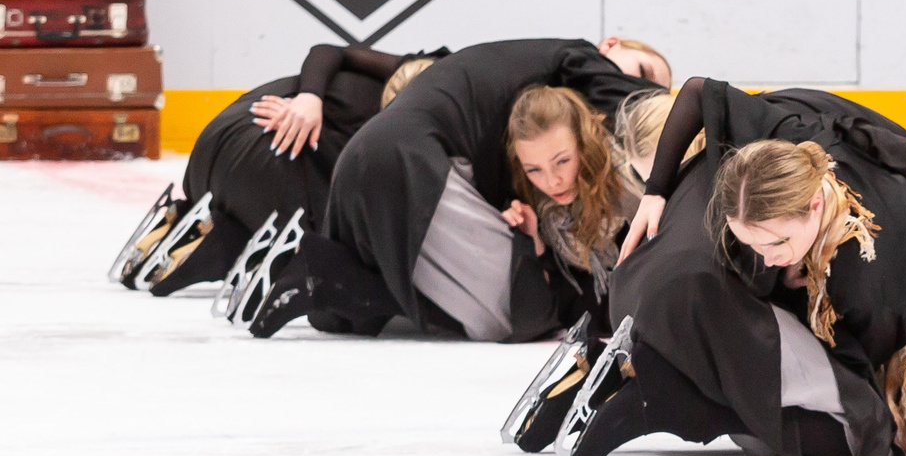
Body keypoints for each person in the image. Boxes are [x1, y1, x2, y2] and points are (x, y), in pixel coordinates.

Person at [555, 78, 906, 456]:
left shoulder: (865, 268)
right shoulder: (788, 147)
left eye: (779, 243)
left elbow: (865, 380)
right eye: (753, 244)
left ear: (816, 207)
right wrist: (656, 192)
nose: (769, 259)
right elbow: (697, 92)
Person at [248, 36, 669, 341]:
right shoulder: (576, 55)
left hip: (370, 156)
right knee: (514, 315)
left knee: (426, 289)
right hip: (407, 159)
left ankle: (312, 274)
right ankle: (318, 272)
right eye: (644, 74)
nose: (638, 87)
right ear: (611, 45)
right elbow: (635, 104)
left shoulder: (518, 81)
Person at [113, 44, 437, 296]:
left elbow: (327, 49)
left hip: (212, 147)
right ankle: (221, 248)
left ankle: (193, 221)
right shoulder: (415, 122)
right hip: (260, 166)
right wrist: (310, 99)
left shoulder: (410, 74)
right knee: (332, 254)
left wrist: (309, 95)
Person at [500, 84, 641, 330]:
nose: (552, 181)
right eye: (534, 170)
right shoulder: (535, 201)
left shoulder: (630, 186)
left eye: (562, 161)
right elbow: (563, 308)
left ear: (583, 144)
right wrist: (533, 239)